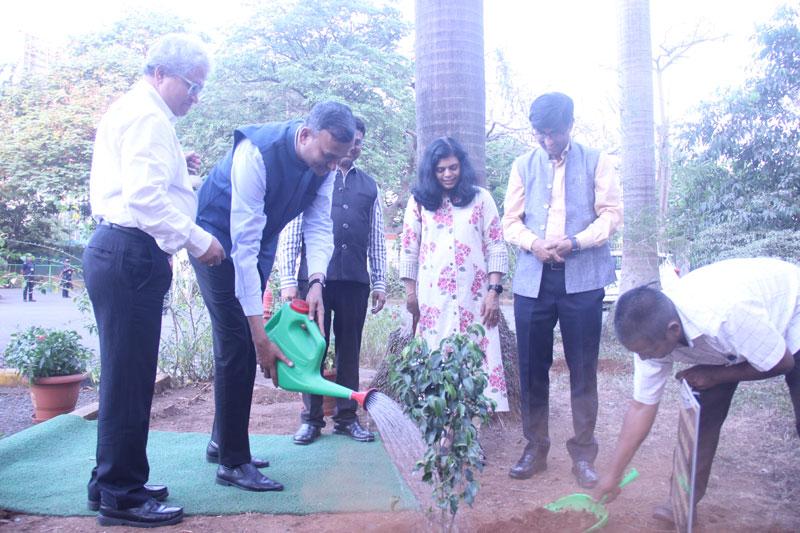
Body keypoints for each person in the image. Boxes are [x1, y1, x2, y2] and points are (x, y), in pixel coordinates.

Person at [82, 33, 225, 528]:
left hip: (119, 251)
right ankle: (122, 494)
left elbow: (139, 181)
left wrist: (175, 171)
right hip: (129, 253)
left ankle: (110, 481)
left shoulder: (139, 111)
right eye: (192, 84)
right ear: (160, 73)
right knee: (129, 378)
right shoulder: (145, 116)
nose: (195, 96)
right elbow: (143, 199)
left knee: (126, 374)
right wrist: (196, 239)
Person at [192, 101, 356, 491]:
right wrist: (259, 332)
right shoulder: (256, 155)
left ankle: (222, 442)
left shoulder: (325, 164)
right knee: (239, 344)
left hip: (258, 241)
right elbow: (241, 249)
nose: (332, 167)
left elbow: (318, 224)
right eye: (328, 156)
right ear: (305, 135)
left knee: (237, 345)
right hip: (216, 239)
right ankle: (233, 462)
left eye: (339, 159)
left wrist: (316, 279)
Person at [594, 257, 800, 525]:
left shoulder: (724, 315)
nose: (644, 359)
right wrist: (613, 474)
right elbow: (641, 406)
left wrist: (715, 375)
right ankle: (683, 498)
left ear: (673, 330)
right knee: (701, 416)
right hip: (730, 338)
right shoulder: (647, 336)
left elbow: (782, 362)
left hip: (791, 308)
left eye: (647, 352)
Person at [501, 92, 622, 488]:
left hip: (583, 280)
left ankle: (584, 454)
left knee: (583, 369)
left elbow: (610, 216)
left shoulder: (597, 161)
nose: (547, 142)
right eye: (540, 135)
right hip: (533, 281)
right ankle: (535, 447)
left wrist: (575, 243)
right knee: (532, 369)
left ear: (570, 126)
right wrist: (535, 244)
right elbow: (510, 222)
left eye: (553, 134)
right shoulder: (522, 165)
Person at [278, 117, 387, 445]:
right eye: (351, 139)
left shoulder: (370, 186)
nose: (354, 146)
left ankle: (347, 417)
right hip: (314, 283)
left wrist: (380, 282)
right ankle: (310, 420)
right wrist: (287, 279)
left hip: (354, 281)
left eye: (359, 142)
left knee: (349, 351)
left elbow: (377, 237)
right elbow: (295, 229)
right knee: (311, 349)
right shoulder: (313, 177)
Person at [400, 137, 510, 412]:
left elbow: (496, 244)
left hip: (476, 302)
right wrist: (411, 294)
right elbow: (409, 248)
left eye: (453, 167)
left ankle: (470, 441)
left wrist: (493, 293)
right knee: (437, 364)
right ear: (431, 171)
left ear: (461, 166)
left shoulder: (481, 199)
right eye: (440, 170)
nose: (448, 174)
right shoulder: (419, 202)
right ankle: (442, 440)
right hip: (434, 303)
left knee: (476, 364)